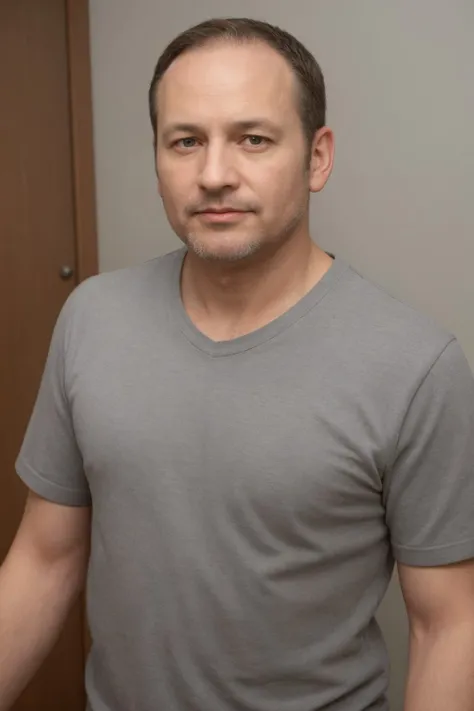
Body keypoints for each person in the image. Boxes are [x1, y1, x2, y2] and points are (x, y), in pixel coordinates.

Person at [1, 16, 473, 711]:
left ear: (317, 157)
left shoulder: (415, 365)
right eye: (185, 141)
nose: (214, 175)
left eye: (253, 139)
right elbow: (45, 560)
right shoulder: (91, 320)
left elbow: (449, 623)